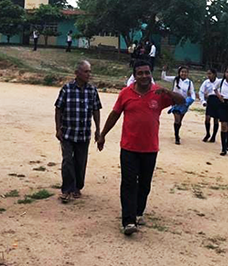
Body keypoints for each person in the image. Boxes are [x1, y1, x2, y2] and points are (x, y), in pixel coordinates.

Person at [97, 60, 185, 236]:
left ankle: (138, 212)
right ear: (135, 76)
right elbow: (115, 114)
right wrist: (103, 134)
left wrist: (168, 92)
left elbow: (181, 101)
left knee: (144, 185)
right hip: (129, 147)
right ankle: (128, 221)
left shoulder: (158, 92)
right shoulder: (125, 93)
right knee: (129, 183)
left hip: (150, 148)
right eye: (140, 73)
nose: (144, 76)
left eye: (147, 73)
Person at [54, 60, 102, 203]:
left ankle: (77, 187)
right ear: (77, 73)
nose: (89, 74)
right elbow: (58, 109)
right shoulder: (66, 89)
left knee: (80, 162)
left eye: (89, 71)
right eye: (86, 71)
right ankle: (67, 189)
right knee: (68, 160)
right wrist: (58, 129)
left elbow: (96, 110)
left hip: (83, 133)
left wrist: (98, 129)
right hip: (68, 133)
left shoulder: (92, 90)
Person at [161, 65, 196, 145]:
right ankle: (176, 136)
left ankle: (177, 131)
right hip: (175, 102)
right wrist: (164, 71)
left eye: (186, 72)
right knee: (177, 118)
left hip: (184, 104)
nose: (184, 74)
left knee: (180, 120)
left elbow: (192, 93)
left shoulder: (189, 83)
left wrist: (191, 100)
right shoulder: (175, 79)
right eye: (182, 72)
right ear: (179, 72)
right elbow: (164, 78)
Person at [199, 68, 221, 143]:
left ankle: (214, 136)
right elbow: (201, 92)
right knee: (207, 118)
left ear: (214, 74)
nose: (208, 76)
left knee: (216, 119)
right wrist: (203, 101)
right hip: (210, 99)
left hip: (218, 100)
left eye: (210, 74)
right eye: (207, 74)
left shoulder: (219, 82)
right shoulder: (206, 82)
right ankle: (208, 133)